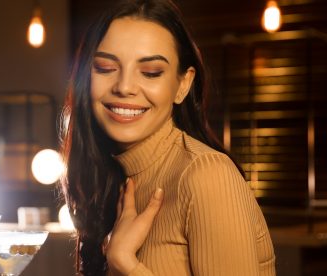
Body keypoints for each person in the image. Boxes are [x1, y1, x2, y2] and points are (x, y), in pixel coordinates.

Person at [59, 0, 276, 275]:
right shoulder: (113, 179)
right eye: (105, 67)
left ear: (183, 84)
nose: (124, 87)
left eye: (151, 72)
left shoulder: (206, 175)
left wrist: (127, 264)